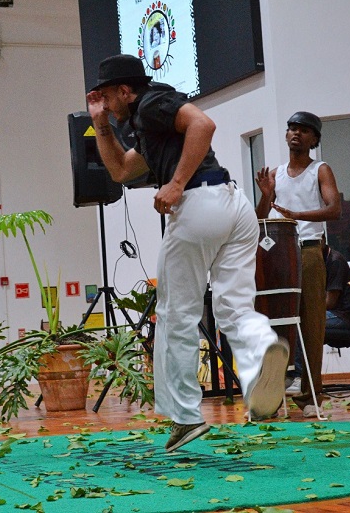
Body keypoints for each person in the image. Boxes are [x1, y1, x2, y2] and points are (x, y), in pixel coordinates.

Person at [86, 54, 288, 451]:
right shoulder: (148, 125)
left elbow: (203, 123)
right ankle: (263, 353)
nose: (106, 104)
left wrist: (176, 184)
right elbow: (122, 172)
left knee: (177, 315)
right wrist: (100, 125)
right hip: (235, 206)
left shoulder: (150, 103)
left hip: (199, 205)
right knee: (233, 308)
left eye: (108, 97)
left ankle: (185, 417)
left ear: (126, 91)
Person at [255, 112, 342, 417]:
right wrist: (266, 196)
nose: (296, 134)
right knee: (276, 323)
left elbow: (334, 210)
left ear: (314, 139)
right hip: (278, 254)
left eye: (304, 130)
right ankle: (272, 396)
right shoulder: (276, 173)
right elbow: (261, 217)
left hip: (308, 250)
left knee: (312, 323)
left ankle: (309, 396)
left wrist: (297, 215)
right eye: (292, 128)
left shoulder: (321, 169)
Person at [286, 243, 350, 396]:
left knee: (300, 326)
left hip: (340, 315)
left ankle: (298, 377)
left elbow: (330, 302)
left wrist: (305, 311)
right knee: (292, 324)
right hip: (328, 312)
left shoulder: (335, 261)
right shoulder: (316, 261)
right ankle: (289, 374)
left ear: (322, 241)